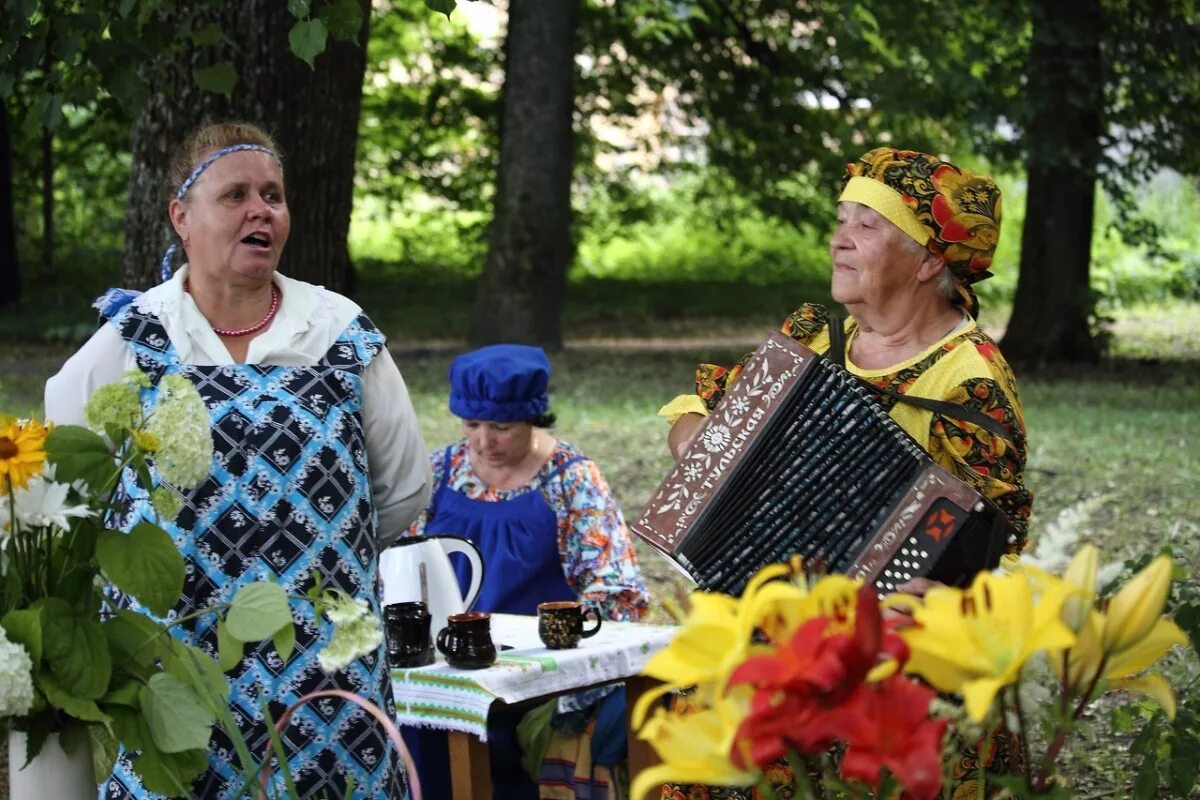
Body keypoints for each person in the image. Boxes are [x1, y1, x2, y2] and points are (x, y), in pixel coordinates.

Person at [43, 121, 431, 799]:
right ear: (181, 218)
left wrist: (314, 557)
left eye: (273, 195)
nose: (262, 210)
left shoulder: (338, 331)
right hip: (177, 682)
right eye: (237, 195)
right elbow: (63, 486)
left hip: (326, 682)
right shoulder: (134, 339)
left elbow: (399, 491)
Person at [657, 146, 1034, 799]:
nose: (839, 239)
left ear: (928, 260)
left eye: (867, 224)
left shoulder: (967, 384)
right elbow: (696, 418)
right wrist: (708, 447)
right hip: (780, 632)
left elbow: (981, 549)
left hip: (893, 665)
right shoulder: (816, 335)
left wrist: (928, 597)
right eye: (841, 219)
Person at [400, 343, 651, 799]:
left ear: (533, 418)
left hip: (537, 675)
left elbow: (614, 591)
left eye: (501, 427)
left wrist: (557, 650)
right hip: (448, 664)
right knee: (416, 730)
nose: (482, 442)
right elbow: (401, 566)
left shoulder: (570, 480)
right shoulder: (439, 472)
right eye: (471, 424)